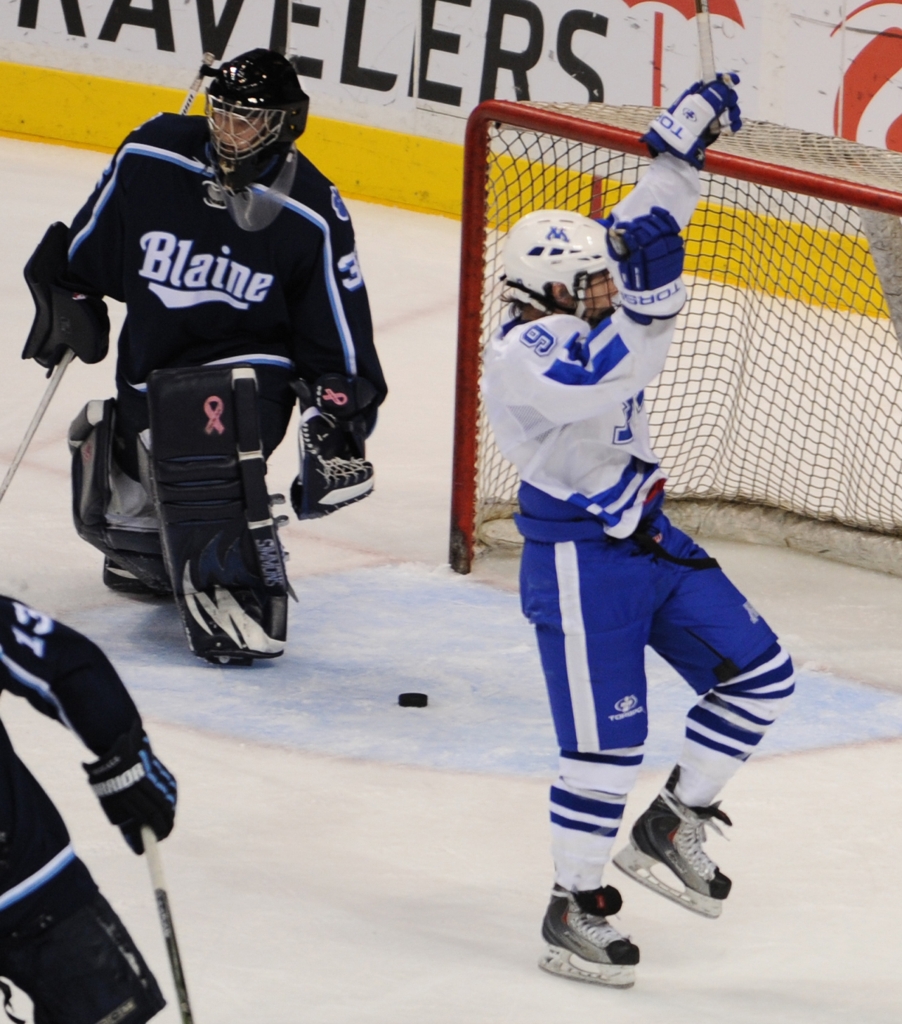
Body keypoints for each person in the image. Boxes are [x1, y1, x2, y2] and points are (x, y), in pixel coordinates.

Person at [482, 76, 795, 988]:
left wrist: (676, 151)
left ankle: (672, 822)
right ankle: (573, 905)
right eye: (592, 283)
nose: (607, 289)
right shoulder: (524, 350)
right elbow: (609, 370)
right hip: (579, 563)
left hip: (645, 535)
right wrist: (653, 303)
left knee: (760, 676)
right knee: (605, 750)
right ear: (547, 288)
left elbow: (639, 231)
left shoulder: (578, 301)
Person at [21, 48, 387, 664]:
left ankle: (232, 579)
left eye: (248, 120)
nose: (228, 130)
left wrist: (339, 423)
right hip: (152, 373)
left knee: (208, 415)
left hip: (249, 380)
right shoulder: (153, 153)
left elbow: (339, 336)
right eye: (222, 113)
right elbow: (86, 253)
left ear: (285, 124)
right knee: (130, 525)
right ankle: (152, 541)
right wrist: (69, 300)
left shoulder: (311, 213)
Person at [0, 594, 176, 1022]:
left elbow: (63, 663)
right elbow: (66, 663)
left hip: (32, 882)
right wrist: (126, 761)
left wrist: (123, 760)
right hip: (30, 877)